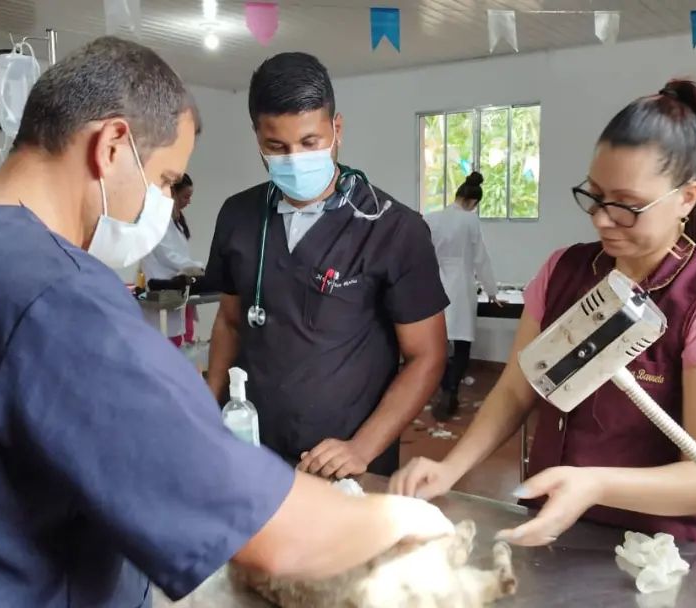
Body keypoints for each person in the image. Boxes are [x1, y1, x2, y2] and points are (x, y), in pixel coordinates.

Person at [0, 37, 454, 608]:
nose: (163, 200)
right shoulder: (57, 297)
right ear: (112, 146)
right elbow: (266, 532)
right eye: (166, 178)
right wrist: (405, 523)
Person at [390, 80, 696, 608]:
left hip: (665, 566)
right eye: (594, 195)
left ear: (688, 197)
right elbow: (516, 391)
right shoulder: (566, 272)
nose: (601, 219)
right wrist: (450, 468)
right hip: (559, 542)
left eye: (628, 206)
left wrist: (594, 484)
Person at [204, 52, 449, 479]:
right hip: (251, 450)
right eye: (276, 147)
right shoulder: (238, 216)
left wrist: (362, 447)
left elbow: (426, 355)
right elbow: (229, 322)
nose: (294, 158)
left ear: (337, 129)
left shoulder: (392, 228)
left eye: (310, 142)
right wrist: (208, 408)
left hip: (345, 459)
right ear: (257, 137)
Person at [424, 171, 498, 422]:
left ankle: (443, 389)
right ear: (473, 202)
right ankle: (451, 390)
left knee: (439, 344)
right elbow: (481, 259)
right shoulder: (470, 221)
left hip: (435, 286)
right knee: (463, 343)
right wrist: (492, 291)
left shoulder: (432, 218)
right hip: (462, 288)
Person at [140, 172, 203, 346]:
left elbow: (178, 256)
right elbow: (167, 255)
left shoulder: (175, 221)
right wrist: (198, 267)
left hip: (177, 291)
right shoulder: (157, 220)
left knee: (181, 338)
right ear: (172, 193)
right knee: (166, 342)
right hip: (162, 289)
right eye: (185, 196)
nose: (188, 201)